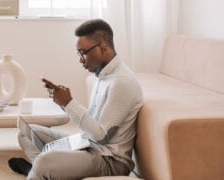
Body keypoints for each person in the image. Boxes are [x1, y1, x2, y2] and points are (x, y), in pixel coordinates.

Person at [8, 19, 143, 179]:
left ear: (103, 47)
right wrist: (63, 103)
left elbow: (100, 136)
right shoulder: (102, 75)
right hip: (86, 143)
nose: (80, 59)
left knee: (45, 161)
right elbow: (93, 122)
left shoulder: (121, 82)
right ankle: (41, 172)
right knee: (26, 134)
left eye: (83, 53)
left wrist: (68, 103)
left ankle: (38, 171)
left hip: (108, 160)